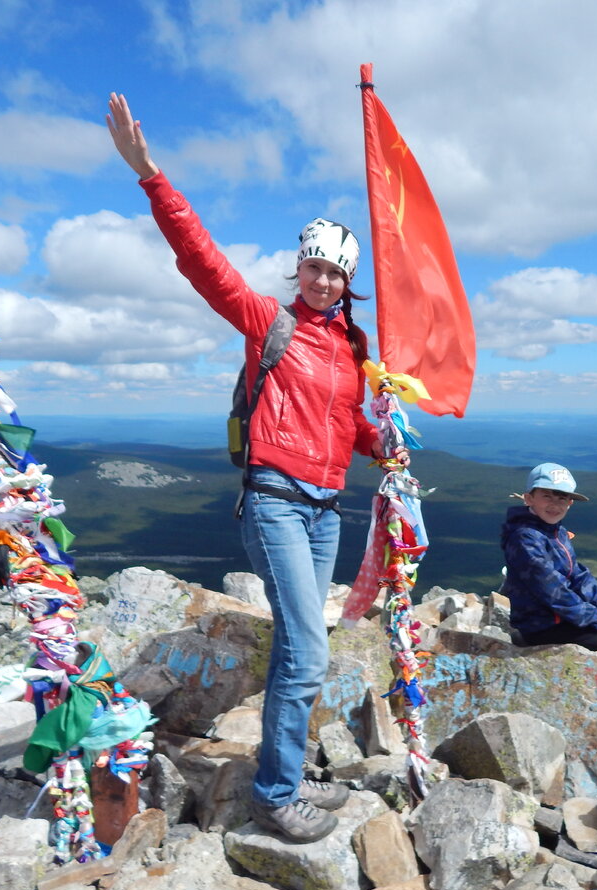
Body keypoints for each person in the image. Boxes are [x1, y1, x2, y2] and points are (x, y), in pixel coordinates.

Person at [107, 93, 406, 843]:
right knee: (306, 648)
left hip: (327, 510)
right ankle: (275, 796)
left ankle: (289, 777)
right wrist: (152, 179)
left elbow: (343, 423)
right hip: (274, 500)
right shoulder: (268, 322)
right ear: (298, 268)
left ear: (348, 280)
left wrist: (379, 444)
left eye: (335, 273)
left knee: (309, 648)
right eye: (313, 267)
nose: (322, 281)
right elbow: (203, 263)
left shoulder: (350, 350)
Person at [501, 462, 597, 651]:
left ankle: (523, 637)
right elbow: (551, 590)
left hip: (558, 618)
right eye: (546, 496)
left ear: (570, 503)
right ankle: (526, 639)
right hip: (541, 625)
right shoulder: (525, 538)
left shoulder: (557, 532)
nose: (555, 504)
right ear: (528, 498)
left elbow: (579, 575)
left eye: (562, 498)